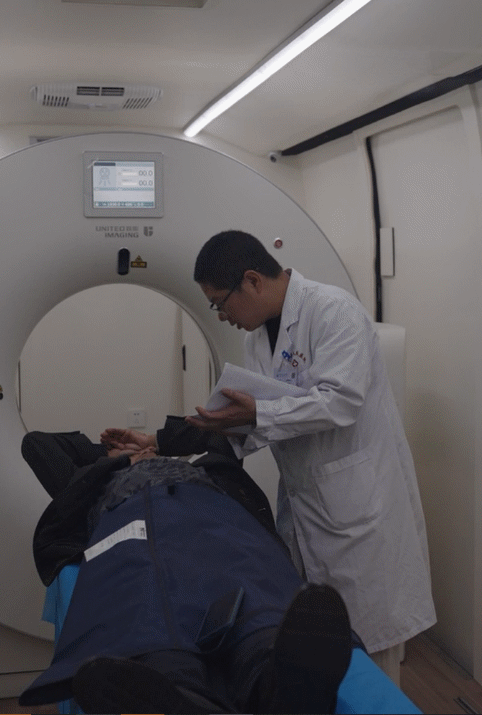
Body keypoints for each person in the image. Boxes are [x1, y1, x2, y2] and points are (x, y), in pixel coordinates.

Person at [179, 228, 436, 681]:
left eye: (220, 303)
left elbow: (340, 401)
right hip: (306, 504)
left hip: (359, 509)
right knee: (321, 652)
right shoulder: (257, 338)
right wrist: (164, 442)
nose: (221, 315)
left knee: (370, 655)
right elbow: (263, 418)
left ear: (252, 281)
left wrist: (258, 413)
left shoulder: (334, 311)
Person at [17, 415, 356, 714]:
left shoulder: (205, 466)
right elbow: (36, 444)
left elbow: (218, 431)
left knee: (249, 576)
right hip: (132, 517)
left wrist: (153, 441)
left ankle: (273, 680)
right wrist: (114, 456)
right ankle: (179, 687)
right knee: (146, 588)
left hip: (215, 512)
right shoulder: (96, 481)